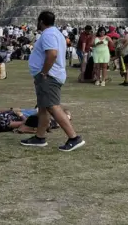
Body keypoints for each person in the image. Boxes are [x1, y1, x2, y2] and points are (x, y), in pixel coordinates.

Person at [20, 11, 85, 151]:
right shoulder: (56, 33)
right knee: (44, 107)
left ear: (41, 21)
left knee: (52, 106)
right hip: (50, 75)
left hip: (49, 76)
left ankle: (74, 137)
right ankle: (40, 137)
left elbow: (52, 54)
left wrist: (44, 72)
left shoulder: (49, 34)